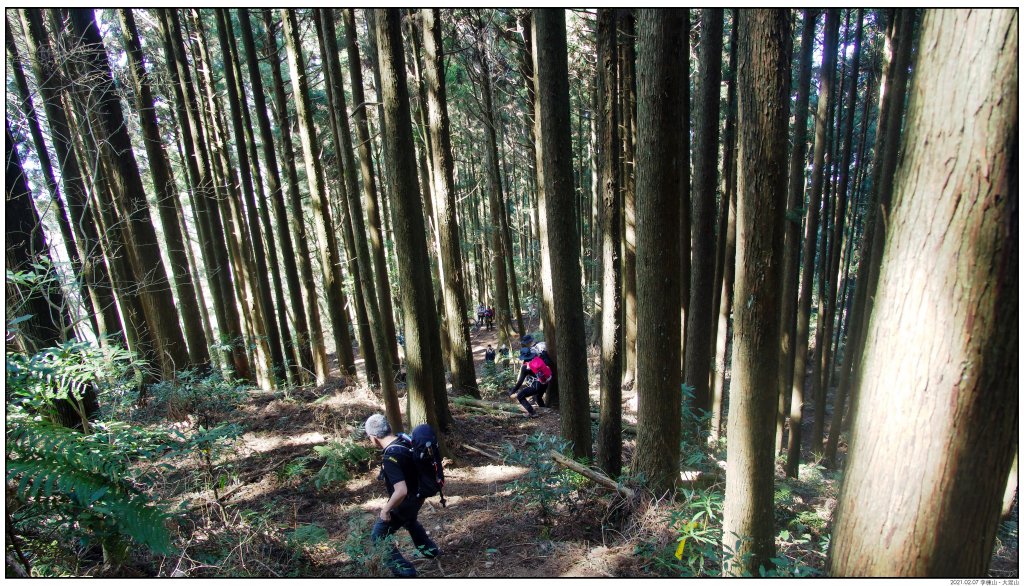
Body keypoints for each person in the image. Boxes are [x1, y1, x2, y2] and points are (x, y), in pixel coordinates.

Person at [364, 414, 441, 577]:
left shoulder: (390, 457)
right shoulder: (404, 441)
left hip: (406, 500)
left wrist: (386, 510)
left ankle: (405, 573)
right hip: (418, 496)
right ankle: (431, 551)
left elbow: (401, 491)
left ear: (373, 438)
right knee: (410, 522)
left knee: (378, 535)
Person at [508, 347, 552, 418]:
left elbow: (520, 382)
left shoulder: (525, 367)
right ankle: (544, 410)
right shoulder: (537, 359)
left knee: (520, 396)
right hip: (545, 382)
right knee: (538, 397)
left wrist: (512, 391)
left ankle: (532, 413)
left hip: (537, 386)